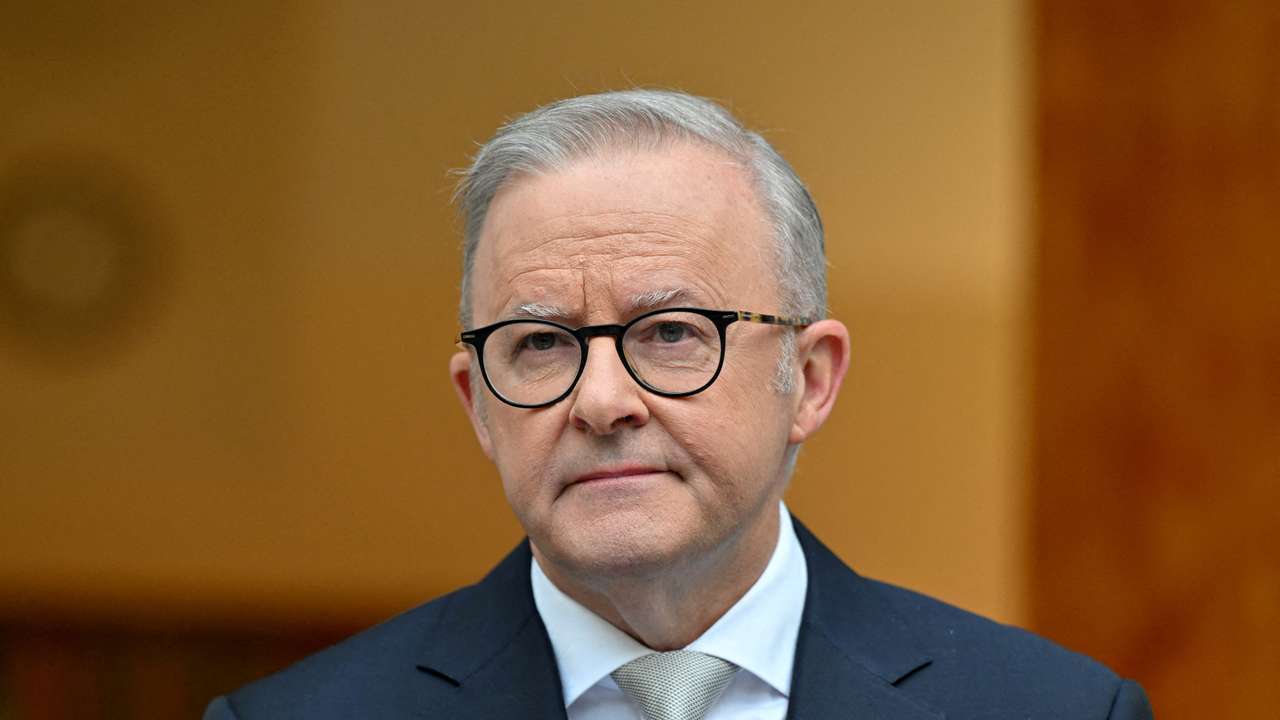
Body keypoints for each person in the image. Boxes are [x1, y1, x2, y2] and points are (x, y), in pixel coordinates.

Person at [205, 89, 1153, 719]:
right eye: (541, 345)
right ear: (477, 405)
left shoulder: (1051, 710)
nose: (602, 399)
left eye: (670, 334)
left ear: (809, 380)